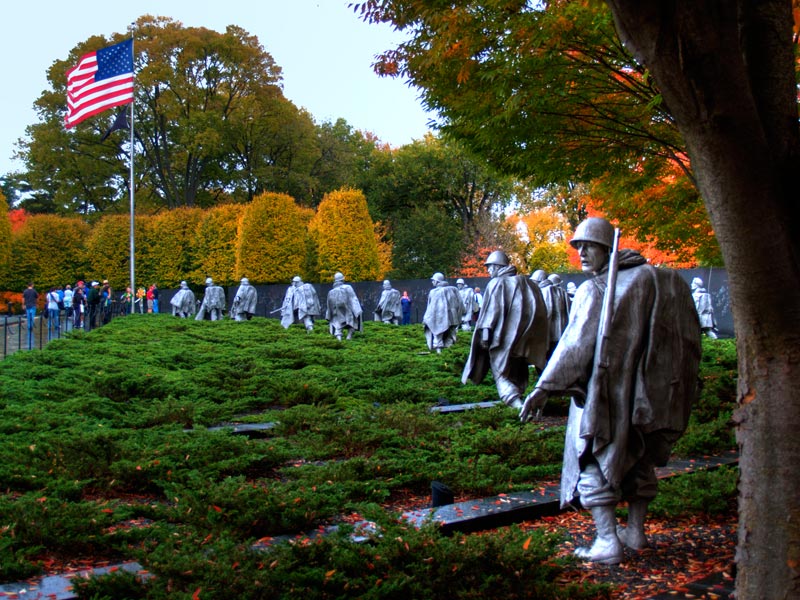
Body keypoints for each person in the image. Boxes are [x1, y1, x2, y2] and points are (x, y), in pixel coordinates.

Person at [520, 217, 701, 565]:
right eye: (578, 247)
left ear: (607, 248)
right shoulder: (654, 280)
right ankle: (635, 533)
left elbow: (575, 346)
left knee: (590, 458)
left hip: (602, 396)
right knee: (638, 458)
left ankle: (607, 541)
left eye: (589, 246)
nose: (582, 253)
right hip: (644, 397)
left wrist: (543, 387)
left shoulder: (597, 288)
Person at [462, 250, 548, 408]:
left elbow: (490, 312)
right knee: (518, 370)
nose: (488, 271)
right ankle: (528, 402)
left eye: (490, 267)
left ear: (497, 266)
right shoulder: (527, 283)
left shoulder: (496, 283)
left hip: (501, 340)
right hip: (523, 340)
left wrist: (485, 337)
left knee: (500, 373)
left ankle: (518, 406)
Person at [531, 269, 570, 359]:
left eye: (534, 281)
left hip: (551, 334)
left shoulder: (546, 290)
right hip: (562, 332)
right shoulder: (561, 291)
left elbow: (546, 313)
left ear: (540, 281)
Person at [422, 272, 463, 353]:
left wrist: (426, 318)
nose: (432, 282)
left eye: (433, 280)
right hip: (452, 318)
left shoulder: (434, 292)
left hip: (440, 318)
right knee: (450, 336)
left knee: (437, 334)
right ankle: (449, 353)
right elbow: (460, 304)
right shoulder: (453, 289)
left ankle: (439, 353)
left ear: (437, 281)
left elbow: (431, 308)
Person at [325, 272, 363, 340]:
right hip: (346, 309)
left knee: (337, 324)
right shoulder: (347, 287)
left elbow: (328, 305)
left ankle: (339, 341)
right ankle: (349, 336)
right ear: (342, 280)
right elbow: (353, 299)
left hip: (335, 311)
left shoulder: (330, 292)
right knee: (353, 321)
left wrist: (328, 315)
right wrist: (357, 310)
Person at [23, 282, 38, 349]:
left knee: (28, 316)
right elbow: (36, 297)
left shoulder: (25, 291)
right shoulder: (34, 291)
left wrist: (23, 304)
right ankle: (31, 326)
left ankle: (29, 327)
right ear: (32, 285)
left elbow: (23, 298)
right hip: (33, 305)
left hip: (27, 305)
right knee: (32, 316)